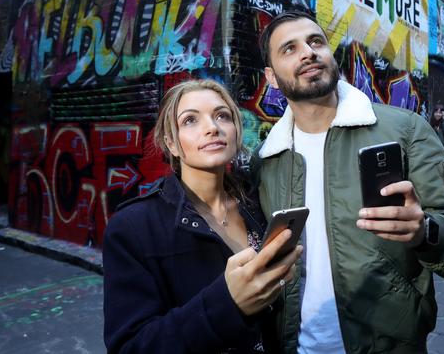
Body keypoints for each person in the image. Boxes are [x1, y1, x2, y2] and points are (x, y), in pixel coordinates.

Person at [254, 11, 444, 353]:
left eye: (316, 41)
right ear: (271, 77)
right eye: (289, 48)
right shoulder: (266, 160)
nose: (308, 52)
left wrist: (425, 233)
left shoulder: (405, 130)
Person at [103, 79, 303, 353]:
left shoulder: (260, 204)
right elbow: (132, 347)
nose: (212, 128)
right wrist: (228, 305)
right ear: (171, 144)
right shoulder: (133, 228)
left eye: (223, 116)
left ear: (235, 131)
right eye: (190, 121)